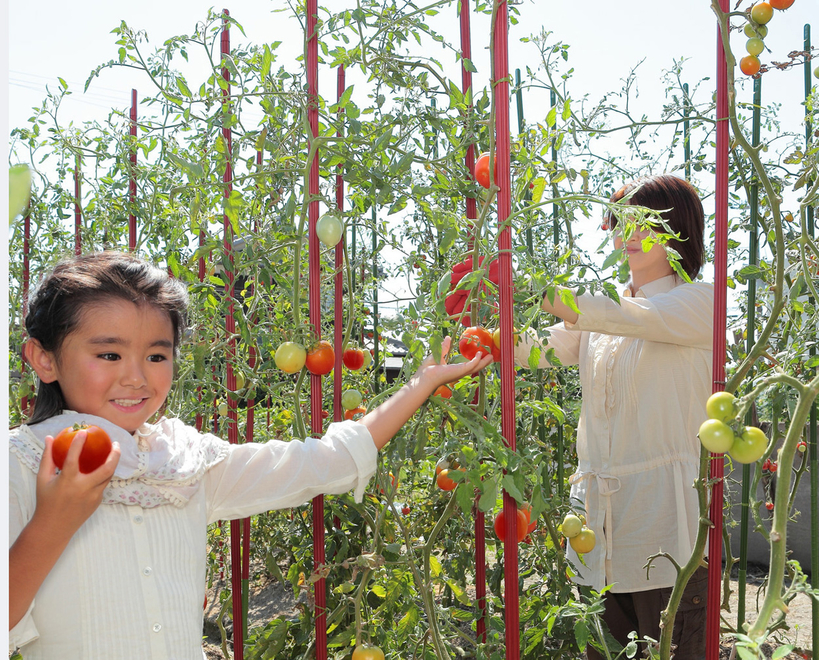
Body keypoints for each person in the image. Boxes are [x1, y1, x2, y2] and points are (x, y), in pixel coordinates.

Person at [9, 250, 493, 660]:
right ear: (44, 358)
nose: (137, 376)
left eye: (157, 356)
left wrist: (421, 383)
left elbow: (322, 461)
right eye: (109, 355)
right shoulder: (20, 463)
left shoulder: (183, 461)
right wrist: (54, 521)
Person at [515, 175, 712, 658]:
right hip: (596, 527)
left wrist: (526, 284)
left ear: (675, 231)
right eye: (617, 220)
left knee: (671, 645)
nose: (622, 233)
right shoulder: (600, 318)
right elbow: (533, 348)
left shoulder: (699, 303)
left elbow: (621, 315)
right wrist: (468, 332)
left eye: (638, 221)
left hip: (663, 523)